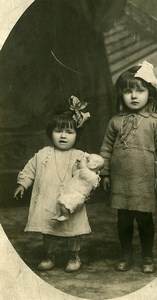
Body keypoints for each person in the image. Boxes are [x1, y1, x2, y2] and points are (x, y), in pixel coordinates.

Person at [100, 61, 157, 273]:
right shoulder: (115, 121)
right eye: (128, 91)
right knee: (123, 220)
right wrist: (105, 174)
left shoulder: (155, 121)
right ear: (120, 95)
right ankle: (126, 255)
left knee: (144, 220)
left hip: (143, 181)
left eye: (139, 91)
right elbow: (106, 149)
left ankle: (147, 256)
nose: (134, 96)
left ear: (149, 93)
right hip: (121, 181)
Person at [14, 96, 92, 273]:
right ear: (51, 133)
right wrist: (23, 184)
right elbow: (30, 169)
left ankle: (74, 256)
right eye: (58, 131)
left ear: (77, 135)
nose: (63, 136)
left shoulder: (80, 156)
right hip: (49, 198)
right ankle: (50, 255)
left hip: (69, 201)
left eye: (69, 132)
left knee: (72, 228)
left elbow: (88, 176)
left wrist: (84, 189)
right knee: (48, 228)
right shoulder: (43, 154)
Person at [52, 153, 104, 221]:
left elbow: (82, 166)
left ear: (94, 166)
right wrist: (76, 165)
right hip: (71, 192)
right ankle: (59, 214)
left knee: (64, 203)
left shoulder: (90, 175)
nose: (85, 161)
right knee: (60, 202)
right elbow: (74, 172)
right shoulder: (83, 173)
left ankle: (65, 215)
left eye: (88, 161)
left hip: (77, 196)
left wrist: (84, 157)